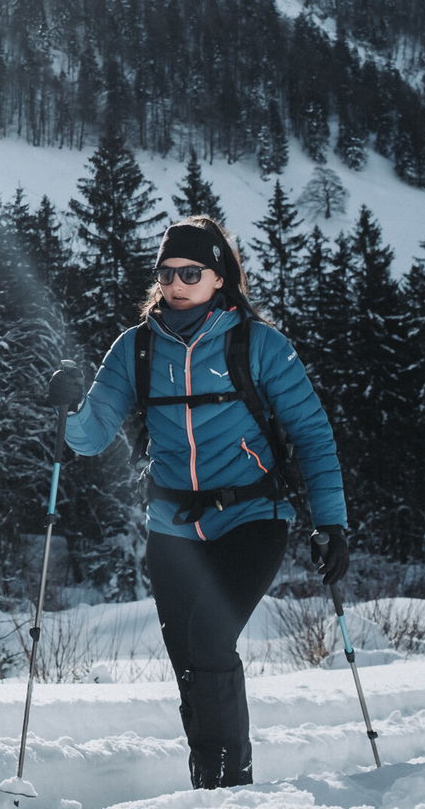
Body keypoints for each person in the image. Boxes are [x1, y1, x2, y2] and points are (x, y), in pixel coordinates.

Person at [47, 215, 349, 789]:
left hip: (252, 516)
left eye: (191, 271)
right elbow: (86, 439)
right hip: (173, 526)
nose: (176, 282)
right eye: (167, 272)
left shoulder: (258, 344)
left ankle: (231, 781)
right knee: (188, 658)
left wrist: (332, 524)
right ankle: (206, 781)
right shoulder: (136, 348)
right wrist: (68, 405)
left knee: (211, 638)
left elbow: (312, 433)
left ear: (220, 278)